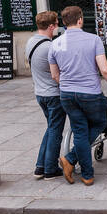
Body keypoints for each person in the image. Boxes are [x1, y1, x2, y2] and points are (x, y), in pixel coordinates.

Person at [50, 4, 107, 187]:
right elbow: (104, 69)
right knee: (100, 122)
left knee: (80, 130)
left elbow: (54, 75)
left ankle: (84, 171)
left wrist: (67, 86)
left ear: (64, 22)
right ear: (80, 20)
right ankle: (73, 161)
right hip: (90, 93)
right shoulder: (93, 39)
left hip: (66, 94)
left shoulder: (55, 43)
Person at [27, 11, 66, 180]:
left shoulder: (30, 41)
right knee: (56, 131)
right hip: (53, 94)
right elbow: (57, 73)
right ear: (51, 26)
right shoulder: (50, 47)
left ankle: (40, 166)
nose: (58, 27)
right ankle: (50, 169)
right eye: (56, 24)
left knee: (50, 128)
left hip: (39, 93)